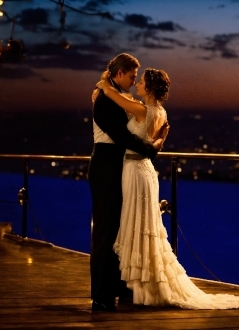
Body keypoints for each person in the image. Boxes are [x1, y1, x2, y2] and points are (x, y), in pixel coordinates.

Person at [96, 68, 239, 309]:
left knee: (138, 225)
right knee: (146, 226)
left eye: (140, 82)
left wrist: (105, 83)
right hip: (146, 170)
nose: (136, 85)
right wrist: (161, 140)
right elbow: (153, 141)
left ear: (149, 88)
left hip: (134, 170)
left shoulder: (141, 110)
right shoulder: (160, 112)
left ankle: (138, 286)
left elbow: (111, 93)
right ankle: (140, 286)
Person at [88, 53, 168, 312]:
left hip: (121, 168)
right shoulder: (104, 101)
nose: (135, 82)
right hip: (106, 167)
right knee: (105, 232)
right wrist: (154, 147)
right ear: (119, 74)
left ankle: (121, 288)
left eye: (139, 78)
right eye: (133, 77)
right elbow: (123, 137)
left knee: (121, 230)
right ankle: (101, 295)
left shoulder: (118, 97)